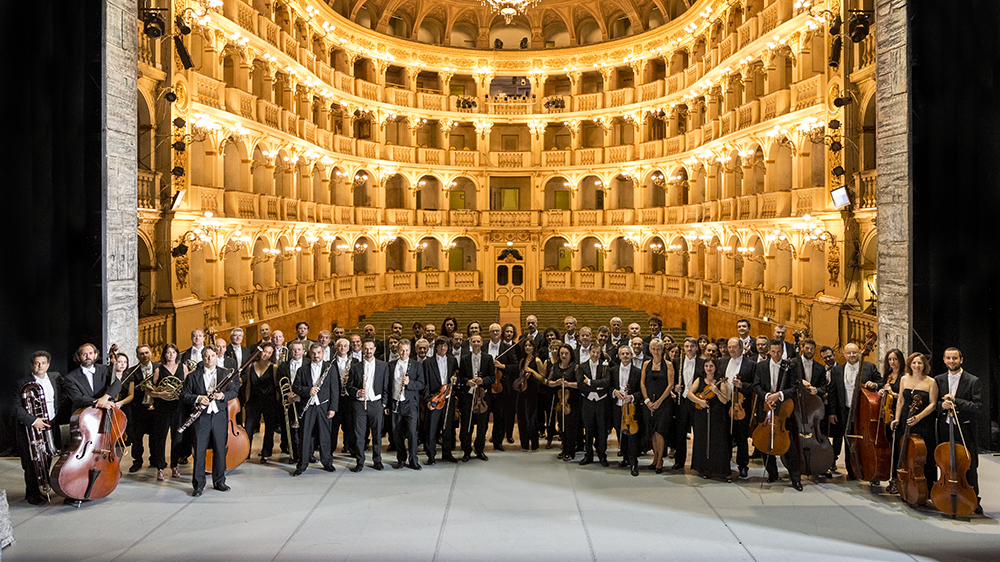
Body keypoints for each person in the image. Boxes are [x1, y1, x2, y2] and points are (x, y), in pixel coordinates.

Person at [180, 347, 239, 496]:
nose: (209, 359)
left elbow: (234, 391)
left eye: (212, 356)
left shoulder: (225, 374)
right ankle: (198, 485)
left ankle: (219, 481)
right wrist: (198, 398)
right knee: (199, 451)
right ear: (202, 357)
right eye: (206, 356)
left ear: (216, 356)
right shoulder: (193, 376)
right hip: (201, 418)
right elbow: (184, 395)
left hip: (219, 416)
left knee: (220, 449)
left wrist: (223, 396)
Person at [934, 347, 983, 514]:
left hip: (964, 428)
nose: (951, 361)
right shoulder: (938, 380)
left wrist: (957, 402)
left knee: (969, 465)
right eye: (948, 358)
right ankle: (946, 494)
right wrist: (942, 406)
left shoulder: (972, 380)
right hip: (945, 427)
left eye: (954, 358)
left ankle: (974, 499)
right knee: (946, 464)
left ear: (961, 360)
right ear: (944, 360)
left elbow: (978, 407)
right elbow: (934, 405)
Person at [751, 340, 803, 491]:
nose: (776, 355)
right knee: (764, 443)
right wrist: (768, 396)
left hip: (784, 409)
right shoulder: (761, 366)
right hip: (766, 408)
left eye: (779, 352)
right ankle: (772, 474)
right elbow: (756, 386)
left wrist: (779, 395)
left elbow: (794, 387)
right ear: (769, 351)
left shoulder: (790, 366)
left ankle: (795, 479)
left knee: (790, 446)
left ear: (783, 351)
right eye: (773, 352)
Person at [14, 351, 63, 505]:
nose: (40, 365)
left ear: (48, 364)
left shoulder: (55, 378)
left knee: (47, 456)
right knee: (31, 461)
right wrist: (34, 421)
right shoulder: (21, 383)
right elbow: (15, 408)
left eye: (43, 363)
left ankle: (44, 488)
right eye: (37, 363)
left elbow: (60, 398)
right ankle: (33, 494)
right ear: (31, 365)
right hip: (31, 428)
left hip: (50, 424)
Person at [889, 352, 938, 503]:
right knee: (903, 452)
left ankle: (926, 488)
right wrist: (897, 418)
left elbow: (933, 404)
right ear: (910, 365)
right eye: (914, 363)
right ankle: (901, 483)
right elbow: (901, 401)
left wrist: (918, 417)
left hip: (923, 422)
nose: (917, 366)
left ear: (924, 365)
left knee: (923, 455)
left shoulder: (931, 382)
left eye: (920, 363)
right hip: (905, 419)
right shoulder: (904, 379)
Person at [829, 342, 881, 481]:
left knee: (865, 440)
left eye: (854, 352)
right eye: (849, 353)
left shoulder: (869, 367)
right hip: (845, 410)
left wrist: (875, 385)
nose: (852, 355)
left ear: (859, 353)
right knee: (848, 440)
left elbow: (881, 383)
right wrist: (832, 412)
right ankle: (851, 470)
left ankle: (869, 469)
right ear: (844, 355)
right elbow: (832, 392)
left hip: (864, 411)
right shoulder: (837, 370)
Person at [291, 343, 338, 476]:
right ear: (309, 354)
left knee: (325, 436)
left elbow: (335, 390)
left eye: (318, 353)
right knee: (304, 436)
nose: (316, 356)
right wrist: (308, 390)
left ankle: (327, 462)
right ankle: (302, 464)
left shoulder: (330, 368)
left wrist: (333, 408)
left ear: (323, 353)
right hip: (308, 407)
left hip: (324, 406)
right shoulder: (302, 370)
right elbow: (296, 387)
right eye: (313, 353)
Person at [347, 339, 390, 472]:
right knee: (359, 435)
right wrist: (357, 392)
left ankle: (377, 460)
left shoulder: (383, 366)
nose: (368, 351)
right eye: (366, 348)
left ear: (375, 349)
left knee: (377, 434)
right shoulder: (355, 367)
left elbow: (386, 387)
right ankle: (360, 461)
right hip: (360, 404)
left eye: (371, 348)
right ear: (362, 349)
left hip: (376, 403)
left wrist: (383, 403)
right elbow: (349, 387)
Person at [147, 344, 187, 480]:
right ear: (164, 355)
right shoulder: (158, 370)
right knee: (160, 438)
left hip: (178, 407)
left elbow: (188, 386)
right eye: (168, 352)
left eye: (173, 352)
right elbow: (150, 389)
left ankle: (174, 466)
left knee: (177, 438)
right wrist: (160, 394)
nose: (171, 355)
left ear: (177, 354)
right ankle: (160, 468)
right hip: (162, 408)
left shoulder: (183, 368)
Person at [689, 359, 732, 482]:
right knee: (703, 441)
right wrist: (700, 401)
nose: (709, 368)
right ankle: (705, 469)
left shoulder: (721, 382)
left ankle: (721, 470)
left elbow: (724, 401)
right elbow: (690, 394)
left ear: (715, 368)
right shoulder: (699, 380)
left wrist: (717, 391)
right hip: (701, 414)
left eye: (711, 366)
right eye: (706, 366)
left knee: (718, 442)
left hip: (717, 415)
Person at [458, 334, 495, 461]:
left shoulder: (488, 358)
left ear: (481, 343)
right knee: (467, 426)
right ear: (470, 343)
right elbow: (461, 377)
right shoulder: (464, 359)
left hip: (482, 397)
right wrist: (467, 381)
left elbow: (492, 377)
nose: (476, 344)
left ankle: (480, 450)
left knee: (482, 425)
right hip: (468, 396)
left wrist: (482, 380)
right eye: (474, 341)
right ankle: (467, 451)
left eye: (478, 341)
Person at [722, 337, 755, 479]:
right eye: (729, 347)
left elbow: (755, 385)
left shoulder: (751, 365)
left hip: (741, 406)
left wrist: (743, 386)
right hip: (725, 404)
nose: (731, 350)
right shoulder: (722, 362)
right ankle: (725, 464)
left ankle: (743, 466)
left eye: (734, 347)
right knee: (725, 437)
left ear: (741, 348)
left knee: (741, 438)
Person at [640, 339, 674, 473]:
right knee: (652, 432)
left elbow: (670, 385)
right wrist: (647, 400)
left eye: (658, 349)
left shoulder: (669, 365)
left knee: (660, 432)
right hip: (649, 403)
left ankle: (660, 460)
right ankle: (655, 458)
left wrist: (659, 401)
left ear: (662, 350)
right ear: (650, 350)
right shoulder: (646, 364)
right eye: (653, 349)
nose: (656, 351)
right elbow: (642, 383)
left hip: (663, 403)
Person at [389, 340, 424, 470]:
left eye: (407, 350)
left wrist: (410, 383)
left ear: (410, 351)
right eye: (402, 350)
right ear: (398, 351)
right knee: (397, 433)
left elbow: (421, 384)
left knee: (412, 433)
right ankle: (401, 459)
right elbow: (388, 385)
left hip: (410, 404)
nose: (404, 353)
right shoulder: (391, 365)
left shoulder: (416, 365)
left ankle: (413, 460)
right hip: (395, 403)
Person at [424, 338, 459, 464]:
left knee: (447, 427)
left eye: (445, 346)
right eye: (440, 346)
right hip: (435, 398)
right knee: (432, 428)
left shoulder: (452, 360)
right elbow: (426, 383)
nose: (443, 348)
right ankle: (431, 455)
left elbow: (456, 377)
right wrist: (428, 399)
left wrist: (455, 380)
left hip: (448, 398)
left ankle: (447, 453)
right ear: (436, 347)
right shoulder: (428, 362)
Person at [672, 337, 705, 471]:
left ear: (696, 347)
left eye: (692, 346)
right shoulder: (676, 362)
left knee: (698, 432)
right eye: (686, 346)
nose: (689, 349)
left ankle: (699, 463)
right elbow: (671, 379)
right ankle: (679, 461)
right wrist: (675, 387)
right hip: (682, 401)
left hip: (696, 400)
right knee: (680, 433)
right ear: (683, 348)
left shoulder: (703, 363)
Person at [244, 342, 279, 464]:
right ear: (260, 351)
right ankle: (245, 453)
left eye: (269, 353)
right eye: (265, 351)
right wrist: (247, 401)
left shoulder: (273, 368)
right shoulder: (251, 366)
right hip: (254, 401)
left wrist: (278, 403)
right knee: (248, 428)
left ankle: (265, 454)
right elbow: (248, 385)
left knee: (269, 429)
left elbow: (275, 386)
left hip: (269, 401)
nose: (266, 354)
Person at [610, 345, 642, 476]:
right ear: (619, 355)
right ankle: (625, 458)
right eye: (623, 354)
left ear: (632, 355)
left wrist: (633, 397)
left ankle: (634, 462)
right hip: (617, 407)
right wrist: (614, 392)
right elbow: (609, 386)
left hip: (631, 408)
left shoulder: (638, 371)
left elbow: (641, 390)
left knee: (632, 436)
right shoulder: (612, 370)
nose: (625, 356)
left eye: (628, 354)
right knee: (620, 432)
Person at [64, 343, 121, 414]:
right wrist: (101, 403)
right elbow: (77, 398)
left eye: (90, 353)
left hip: (105, 411)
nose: (88, 356)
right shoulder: (70, 377)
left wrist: (105, 397)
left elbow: (117, 383)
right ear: (78, 357)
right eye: (84, 354)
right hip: (83, 413)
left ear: (95, 355)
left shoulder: (104, 369)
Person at [577, 345, 610, 467]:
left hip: (601, 402)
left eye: (598, 352)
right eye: (594, 352)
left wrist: (590, 382)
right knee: (588, 429)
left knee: (602, 430)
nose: (596, 355)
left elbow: (606, 382)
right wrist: (598, 387)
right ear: (589, 352)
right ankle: (588, 455)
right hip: (588, 402)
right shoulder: (582, 366)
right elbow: (581, 385)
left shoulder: (605, 366)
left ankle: (602, 455)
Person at [879, 348, 906, 493]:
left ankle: (896, 479)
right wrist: (882, 392)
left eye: (895, 359)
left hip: (898, 415)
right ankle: (890, 478)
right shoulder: (888, 376)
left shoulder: (904, 377)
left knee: (897, 449)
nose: (892, 362)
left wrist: (892, 393)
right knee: (890, 447)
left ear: (900, 360)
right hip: (887, 415)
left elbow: (903, 398)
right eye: (890, 359)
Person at [547, 344, 580, 462]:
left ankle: (570, 451)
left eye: (566, 353)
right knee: (562, 427)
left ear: (571, 355)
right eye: (562, 353)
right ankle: (564, 449)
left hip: (572, 402)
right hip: (560, 402)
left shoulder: (576, 367)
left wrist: (568, 384)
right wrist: (556, 383)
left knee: (571, 427)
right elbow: (548, 382)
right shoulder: (556, 366)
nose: (564, 355)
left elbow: (580, 384)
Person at [276, 341, 305, 462]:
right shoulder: (283, 366)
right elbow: (278, 383)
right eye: (294, 350)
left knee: (306, 429)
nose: (296, 352)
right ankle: (294, 454)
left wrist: (299, 394)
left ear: (303, 351)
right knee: (292, 428)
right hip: (290, 400)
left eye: (299, 349)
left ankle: (307, 454)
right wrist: (287, 395)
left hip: (303, 400)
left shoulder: (308, 363)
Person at [515, 337, 547, 452]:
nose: (527, 347)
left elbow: (542, 378)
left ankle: (534, 444)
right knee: (521, 417)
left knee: (531, 418)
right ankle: (524, 444)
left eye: (530, 345)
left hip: (533, 391)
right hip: (522, 391)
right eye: (526, 346)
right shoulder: (522, 361)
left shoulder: (537, 360)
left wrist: (532, 371)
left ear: (534, 347)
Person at [330, 338, 358, 458]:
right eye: (340, 346)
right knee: (333, 427)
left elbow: (358, 379)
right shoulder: (330, 362)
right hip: (336, 399)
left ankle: (351, 448)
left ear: (348, 348)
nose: (342, 348)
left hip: (349, 398)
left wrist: (349, 380)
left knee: (350, 425)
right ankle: (330, 450)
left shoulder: (355, 361)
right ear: (336, 348)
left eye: (345, 346)